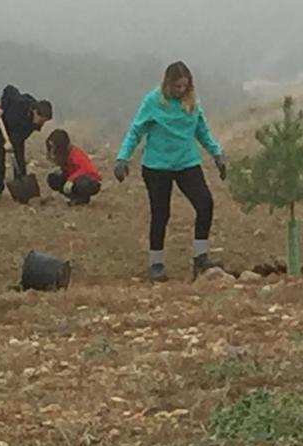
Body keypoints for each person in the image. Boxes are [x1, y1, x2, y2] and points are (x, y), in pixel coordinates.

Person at [114, 61, 228, 283]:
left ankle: (200, 257)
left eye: (184, 86)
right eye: (177, 86)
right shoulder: (152, 102)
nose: (181, 91)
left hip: (187, 162)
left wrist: (217, 154)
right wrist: (122, 158)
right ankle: (156, 262)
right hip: (157, 166)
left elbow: (201, 130)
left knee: (205, 203)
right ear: (168, 84)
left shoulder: (192, 103)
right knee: (161, 213)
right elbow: (136, 130)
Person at [0, 85, 53, 202]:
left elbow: (24, 133)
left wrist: (13, 142)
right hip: (1, 130)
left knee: (20, 163)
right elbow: (9, 89)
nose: (42, 124)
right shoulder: (20, 104)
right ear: (35, 112)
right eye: (41, 120)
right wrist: (3, 106)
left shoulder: (36, 118)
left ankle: (22, 193)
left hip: (18, 136)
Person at [45, 129, 102, 206]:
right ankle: (74, 197)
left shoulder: (76, 154)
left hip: (89, 180)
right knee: (54, 178)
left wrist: (71, 179)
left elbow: (85, 169)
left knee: (81, 184)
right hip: (73, 178)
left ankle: (82, 198)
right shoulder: (63, 156)